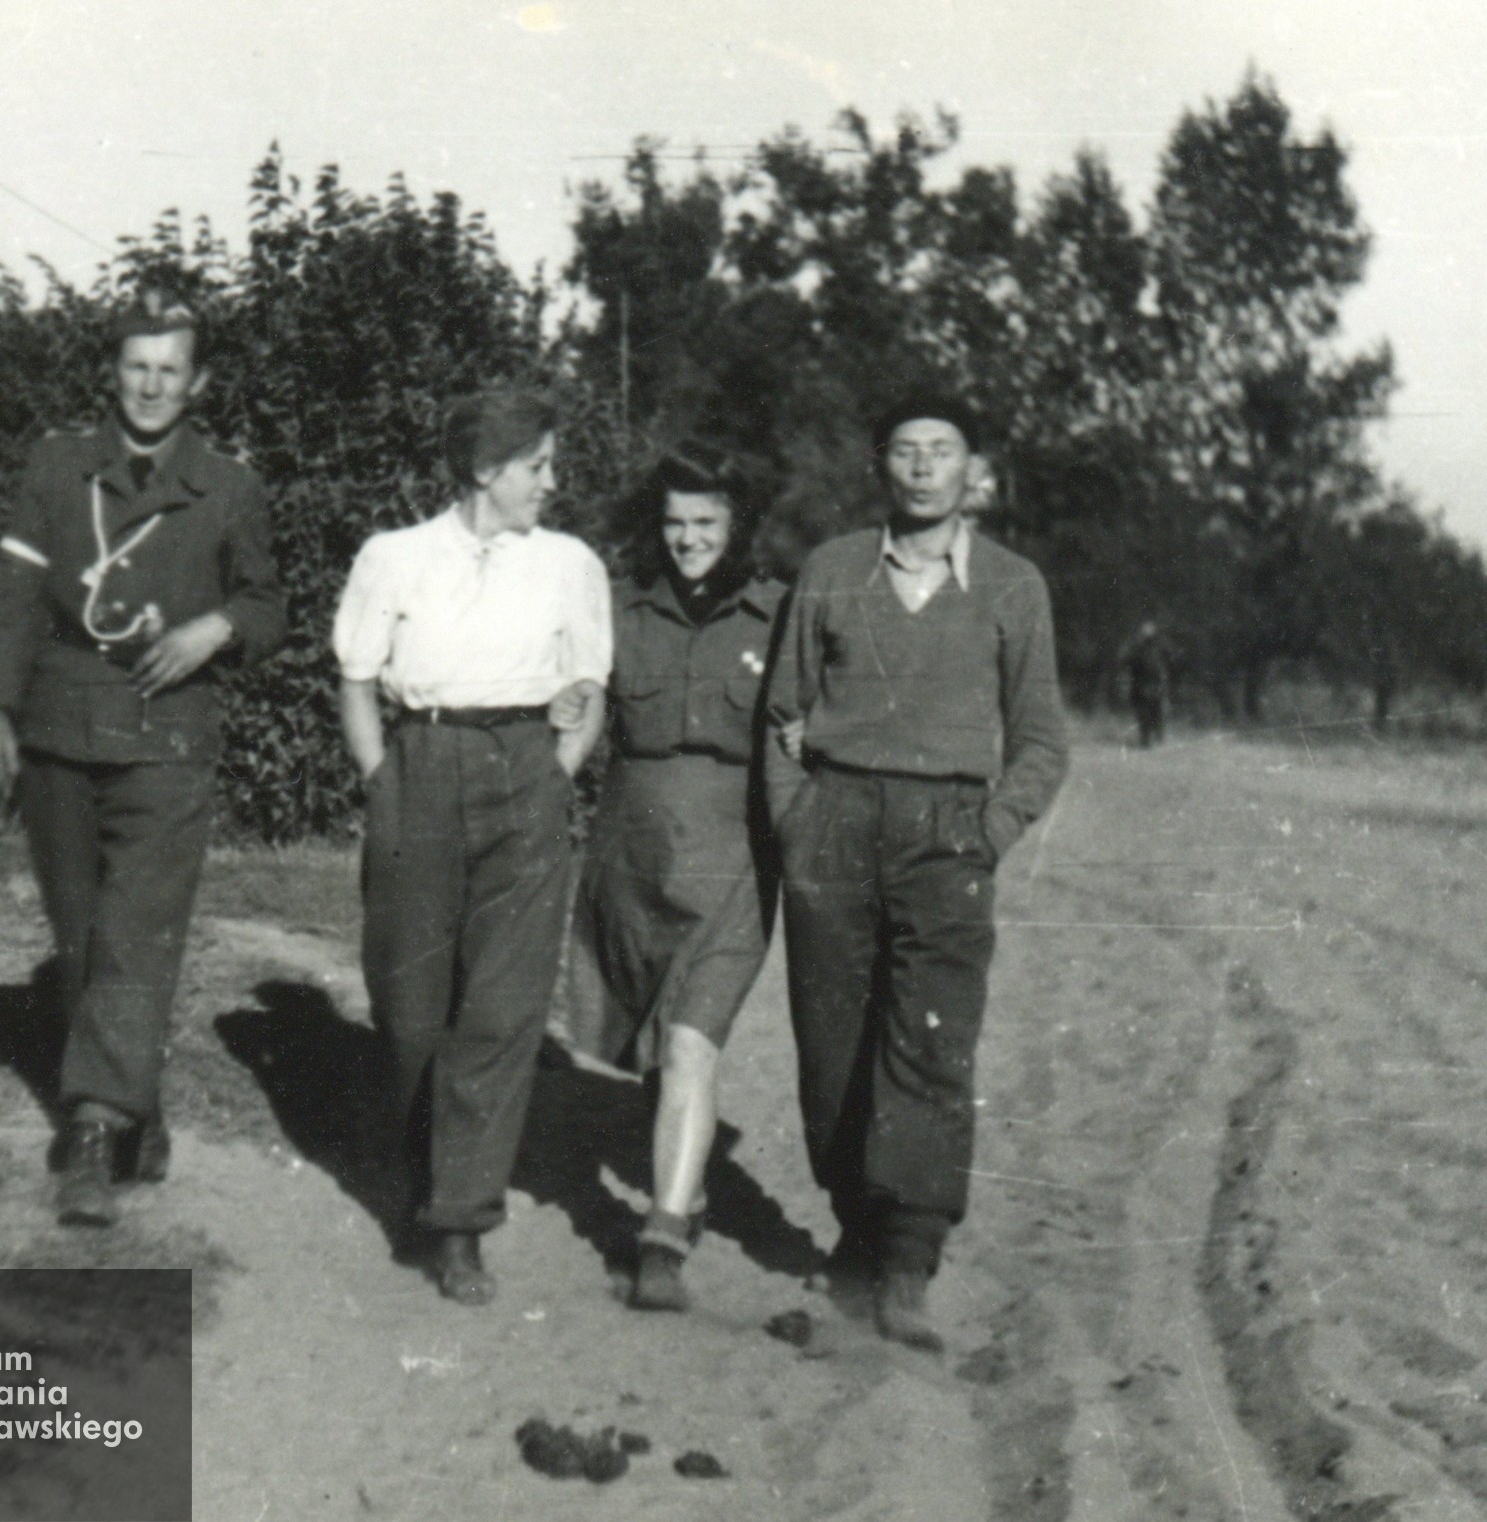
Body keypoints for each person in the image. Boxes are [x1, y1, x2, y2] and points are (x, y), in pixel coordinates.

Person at [0, 291, 286, 1227]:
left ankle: (94, 1132)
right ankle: (133, 1112)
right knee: (83, 936)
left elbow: (268, 606)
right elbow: (14, 596)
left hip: (168, 736)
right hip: (60, 731)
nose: (151, 385)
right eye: (137, 366)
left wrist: (213, 628)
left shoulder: (229, 486)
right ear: (115, 370)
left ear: (199, 382)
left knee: (138, 933)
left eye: (170, 370)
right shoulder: (59, 468)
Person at [765, 390, 1068, 1351]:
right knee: (832, 1041)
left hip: (949, 833)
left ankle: (908, 1258)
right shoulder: (831, 570)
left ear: (971, 470)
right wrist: (798, 824)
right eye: (905, 450)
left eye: (942, 451)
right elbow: (781, 716)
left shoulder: (1014, 585)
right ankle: (854, 1227)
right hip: (837, 821)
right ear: (880, 468)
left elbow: (1042, 740)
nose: (924, 467)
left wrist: (990, 830)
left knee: (932, 1042)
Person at [334, 391, 610, 1307]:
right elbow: (358, 679)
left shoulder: (570, 564)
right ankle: (425, 1174)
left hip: (527, 770)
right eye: (539, 465)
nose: (552, 483)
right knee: (412, 1007)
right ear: (488, 469)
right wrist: (385, 779)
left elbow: (589, 684)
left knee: (502, 1009)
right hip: (421, 764)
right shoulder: (394, 556)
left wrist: (557, 768)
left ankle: (459, 1222)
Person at [560, 443, 783, 1313]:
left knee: (692, 1040)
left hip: (732, 865)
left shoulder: (779, 616)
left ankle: (659, 1238)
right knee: (657, 1050)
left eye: (708, 524)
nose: (691, 539)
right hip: (632, 861)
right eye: (677, 523)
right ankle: (682, 1191)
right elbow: (582, 714)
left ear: (738, 530)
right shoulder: (620, 615)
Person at [1118, 620, 1173, 747]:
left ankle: (1156, 738)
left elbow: (1170, 659)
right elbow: (1124, 660)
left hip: (1155, 684)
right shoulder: (1136, 646)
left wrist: (1164, 679)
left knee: (1156, 713)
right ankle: (1146, 740)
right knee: (1144, 714)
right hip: (1141, 684)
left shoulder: (1159, 646)